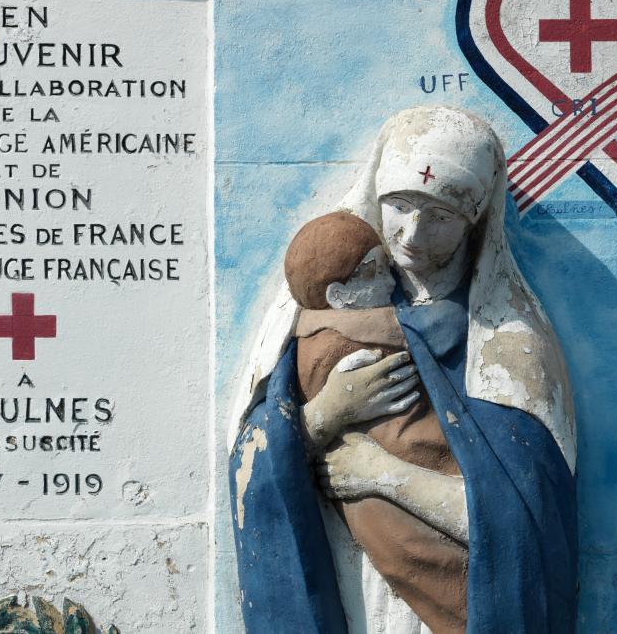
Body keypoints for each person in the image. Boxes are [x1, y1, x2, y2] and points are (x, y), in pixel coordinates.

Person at [228, 105, 578, 634]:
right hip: (348, 579)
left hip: (458, 603)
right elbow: (252, 461)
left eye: (439, 216)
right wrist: (323, 415)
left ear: (474, 221)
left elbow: (528, 521)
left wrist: (384, 475)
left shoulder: (508, 344)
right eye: (399, 206)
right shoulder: (307, 319)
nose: (413, 234)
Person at [283, 210, 470, 631]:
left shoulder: (317, 334)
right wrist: (328, 412)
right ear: (338, 295)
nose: (391, 283)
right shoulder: (360, 338)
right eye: (374, 272)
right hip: (396, 520)